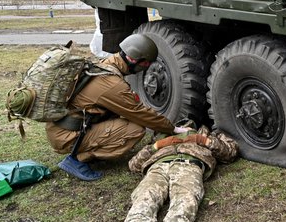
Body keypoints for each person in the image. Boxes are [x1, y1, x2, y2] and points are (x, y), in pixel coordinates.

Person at [47, 33, 190, 181]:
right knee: (135, 129)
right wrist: (173, 129)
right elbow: (140, 113)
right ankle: (78, 158)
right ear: (132, 59)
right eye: (145, 64)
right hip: (66, 136)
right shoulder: (112, 84)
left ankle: (86, 148)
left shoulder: (106, 64)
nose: (145, 68)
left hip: (61, 128)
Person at [112, 124, 239, 222]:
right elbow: (134, 165)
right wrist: (157, 146)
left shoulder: (208, 133)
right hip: (158, 166)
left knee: (186, 198)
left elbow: (230, 153)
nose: (184, 125)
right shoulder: (160, 135)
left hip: (189, 165)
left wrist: (203, 140)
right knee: (146, 195)